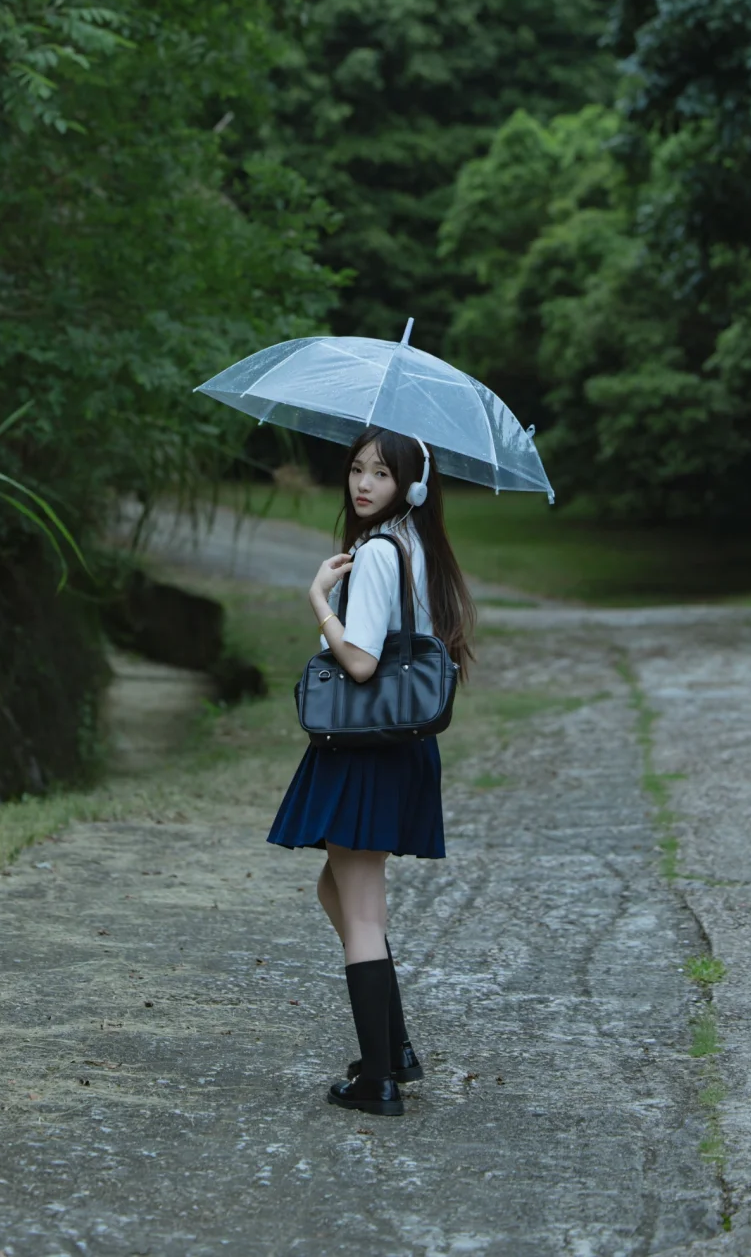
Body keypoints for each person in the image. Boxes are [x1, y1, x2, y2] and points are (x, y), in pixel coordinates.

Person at [267, 426, 475, 1117]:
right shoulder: (412, 542)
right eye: (357, 470)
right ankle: (397, 1049)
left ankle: (377, 1081)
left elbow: (358, 662)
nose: (363, 484)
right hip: (391, 744)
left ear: (410, 486)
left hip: (368, 746)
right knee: (340, 891)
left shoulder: (381, 553)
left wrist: (319, 600)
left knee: (357, 906)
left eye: (381, 474)